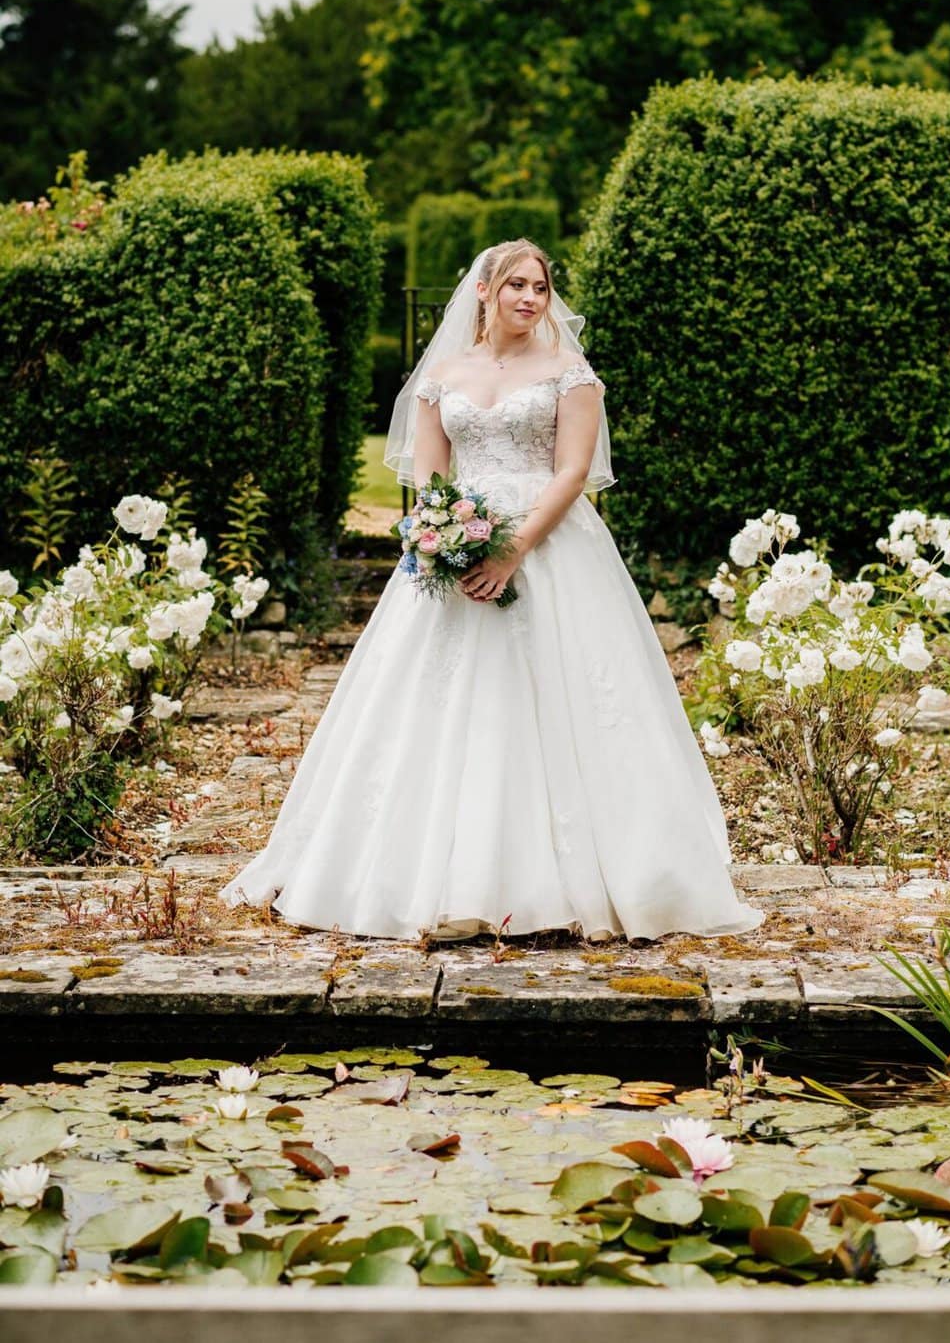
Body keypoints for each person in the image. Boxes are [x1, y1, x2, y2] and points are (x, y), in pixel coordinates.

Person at [219, 239, 763, 941]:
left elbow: (570, 473)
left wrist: (512, 550)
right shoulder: (441, 376)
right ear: (484, 291)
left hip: (550, 553)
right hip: (455, 559)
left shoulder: (571, 373)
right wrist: (441, 541)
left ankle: (583, 878)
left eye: (540, 287)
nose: (531, 298)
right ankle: (427, 879)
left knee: (568, 702)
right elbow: (432, 480)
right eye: (516, 286)